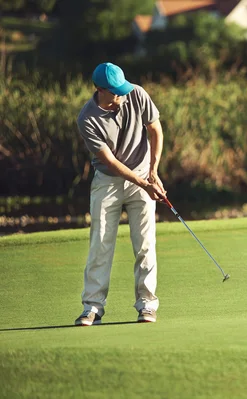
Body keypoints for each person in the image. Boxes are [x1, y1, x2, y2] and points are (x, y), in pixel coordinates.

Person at [74, 62, 167, 326]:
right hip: (108, 182)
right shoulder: (87, 118)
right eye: (115, 91)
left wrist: (153, 172)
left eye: (121, 89)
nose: (120, 95)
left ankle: (147, 305)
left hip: (143, 175)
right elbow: (110, 162)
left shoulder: (136, 93)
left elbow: (155, 129)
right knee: (101, 244)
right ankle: (92, 307)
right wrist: (142, 182)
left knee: (145, 244)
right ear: (99, 89)